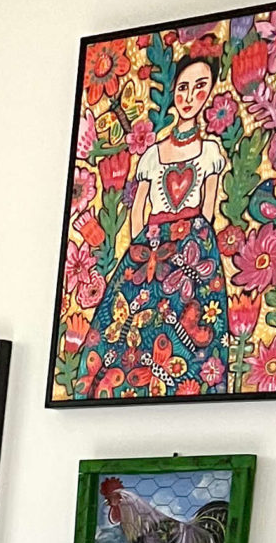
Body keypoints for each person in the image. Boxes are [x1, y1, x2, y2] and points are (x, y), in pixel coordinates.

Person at [75, 53, 231, 398]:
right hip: (151, 246)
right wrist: (139, 248)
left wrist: (195, 240)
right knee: (127, 324)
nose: (190, 97)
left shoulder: (210, 152)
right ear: (174, 91)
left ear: (209, 94)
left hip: (193, 246)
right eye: (184, 88)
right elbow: (139, 207)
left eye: (200, 88)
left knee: (190, 320)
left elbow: (209, 206)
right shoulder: (152, 154)